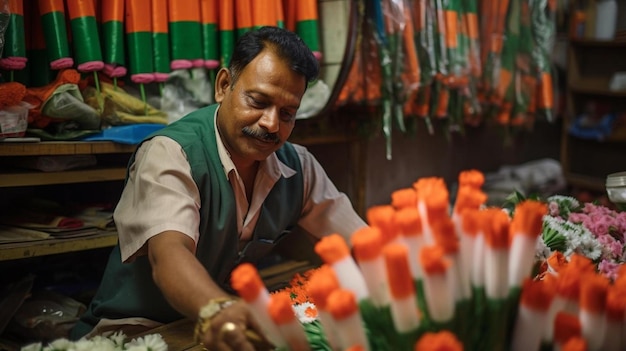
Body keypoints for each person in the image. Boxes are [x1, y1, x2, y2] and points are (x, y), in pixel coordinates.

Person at [70, 26, 367, 350]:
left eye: (287, 113)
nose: (271, 124)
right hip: (135, 332)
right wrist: (218, 310)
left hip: (224, 326)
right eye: (258, 101)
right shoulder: (172, 153)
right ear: (224, 85)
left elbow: (360, 243)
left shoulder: (298, 166)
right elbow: (170, 253)